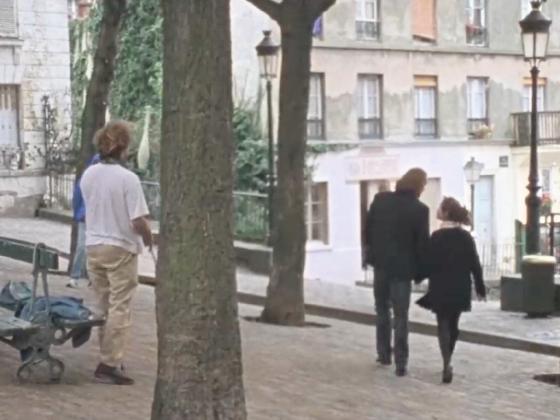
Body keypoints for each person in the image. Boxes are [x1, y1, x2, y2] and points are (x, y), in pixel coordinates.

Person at [80, 120, 153, 385]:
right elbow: (137, 220)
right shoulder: (128, 179)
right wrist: (149, 238)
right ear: (122, 147)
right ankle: (109, 363)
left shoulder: (88, 174)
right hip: (120, 247)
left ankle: (108, 356)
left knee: (102, 305)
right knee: (120, 307)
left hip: (93, 246)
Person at [364, 168, 430, 377]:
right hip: (402, 270)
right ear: (418, 186)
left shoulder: (381, 201)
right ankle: (401, 362)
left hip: (381, 265)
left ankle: (384, 353)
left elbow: (367, 230)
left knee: (382, 309)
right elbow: (422, 245)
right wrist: (421, 272)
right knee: (401, 315)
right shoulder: (420, 210)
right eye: (424, 184)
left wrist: (371, 255)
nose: (424, 188)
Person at [416, 197, 486, 384]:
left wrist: (418, 276)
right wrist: (480, 287)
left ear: (446, 213)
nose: (437, 209)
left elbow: (427, 262)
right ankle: (449, 358)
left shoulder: (436, 237)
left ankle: (446, 361)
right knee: (453, 324)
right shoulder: (465, 237)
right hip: (459, 286)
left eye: (440, 207)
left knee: (443, 324)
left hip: (440, 285)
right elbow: (474, 263)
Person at [67, 153, 100, 288]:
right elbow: (77, 199)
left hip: (97, 219)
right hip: (85, 218)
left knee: (95, 248)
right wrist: (78, 214)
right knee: (82, 247)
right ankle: (75, 276)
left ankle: (93, 277)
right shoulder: (84, 180)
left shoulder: (104, 182)